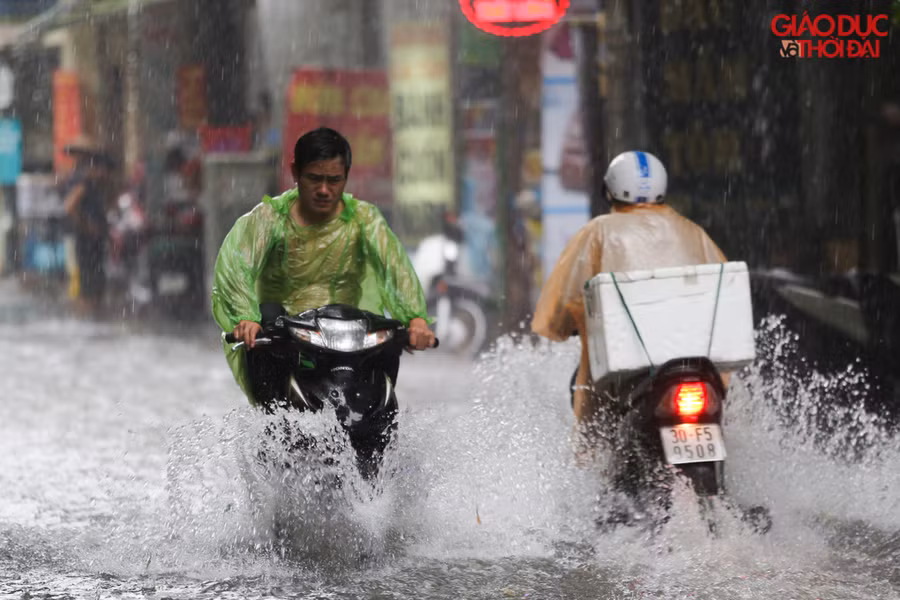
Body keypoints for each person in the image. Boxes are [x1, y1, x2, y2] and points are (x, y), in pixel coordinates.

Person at [212, 127, 436, 405]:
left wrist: (415, 319)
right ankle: (273, 430)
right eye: (314, 179)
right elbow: (236, 265)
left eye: (334, 180)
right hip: (287, 335)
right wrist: (246, 318)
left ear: (346, 177)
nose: (324, 190)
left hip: (350, 337)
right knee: (263, 348)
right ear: (295, 173)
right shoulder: (270, 219)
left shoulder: (364, 219)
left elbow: (395, 267)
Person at [531, 150, 726, 452]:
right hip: (696, 366)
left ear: (609, 191)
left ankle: (604, 482)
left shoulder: (597, 232)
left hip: (630, 376)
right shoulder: (694, 232)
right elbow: (725, 295)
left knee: (597, 433)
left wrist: (560, 324)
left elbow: (567, 298)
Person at [62, 136, 114, 318]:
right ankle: (88, 322)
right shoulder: (82, 179)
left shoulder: (78, 178)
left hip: (90, 239)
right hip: (86, 240)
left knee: (91, 286)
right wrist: (86, 225)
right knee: (89, 288)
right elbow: (70, 206)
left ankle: (90, 323)